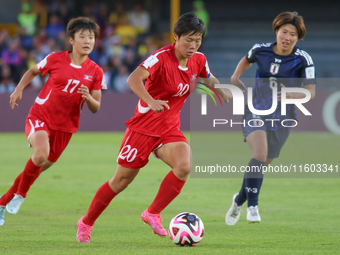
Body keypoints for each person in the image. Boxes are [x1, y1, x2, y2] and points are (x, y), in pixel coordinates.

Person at [75, 12, 231, 243]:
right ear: (176, 37)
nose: (193, 45)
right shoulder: (160, 58)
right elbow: (133, 79)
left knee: (184, 166)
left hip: (169, 129)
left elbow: (208, 77)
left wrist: (221, 90)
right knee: (120, 182)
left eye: (197, 40)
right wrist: (150, 100)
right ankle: (86, 222)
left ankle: (152, 213)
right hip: (143, 129)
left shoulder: (199, 59)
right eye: (188, 39)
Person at [0, 17, 106, 226]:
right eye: (83, 37)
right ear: (71, 40)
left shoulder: (96, 71)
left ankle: (2, 203)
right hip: (41, 116)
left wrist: (88, 98)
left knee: (35, 167)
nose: (88, 41)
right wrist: (19, 89)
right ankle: (21, 195)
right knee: (40, 155)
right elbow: (32, 71)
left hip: (65, 128)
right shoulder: (56, 59)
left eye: (91, 38)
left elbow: (96, 108)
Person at [225, 12, 316, 225]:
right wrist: (234, 78)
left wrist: (291, 94)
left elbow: (311, 92)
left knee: (261, 165)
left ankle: (239, 200)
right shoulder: (260, 49)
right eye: (284, 31)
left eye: (292, 34)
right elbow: (246, 60)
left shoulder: (304, 59)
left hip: (284, 117)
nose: (287, 37)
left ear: (298, 37)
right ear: (276, 31)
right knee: (259, 154)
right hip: (256, 110)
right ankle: (253, 207)